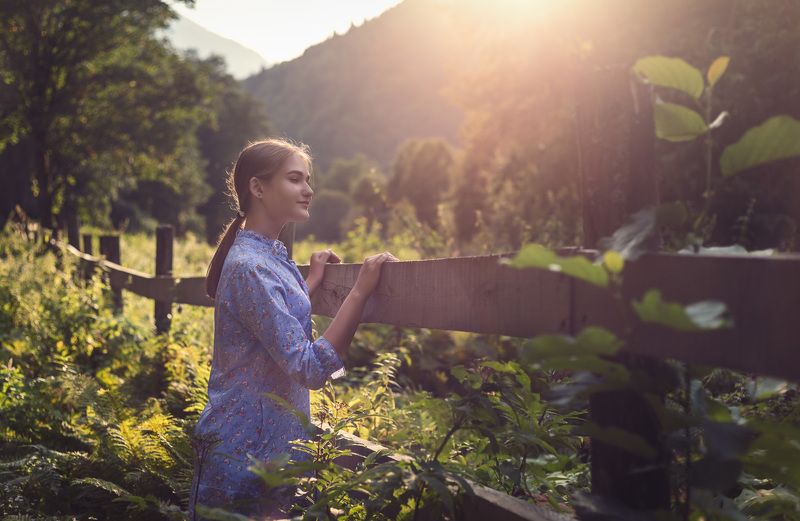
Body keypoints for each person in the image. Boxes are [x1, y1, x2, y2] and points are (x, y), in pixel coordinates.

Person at [188, 138, 398, 520]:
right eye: (295, 179)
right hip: (245, 451)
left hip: (269, 445)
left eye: (307, 180)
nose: (309, 189)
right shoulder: (251, 266)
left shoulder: (266, 254)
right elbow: (310, 368)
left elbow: (272, 316)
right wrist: (361, 289)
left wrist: (311, 281)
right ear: (258, 187)